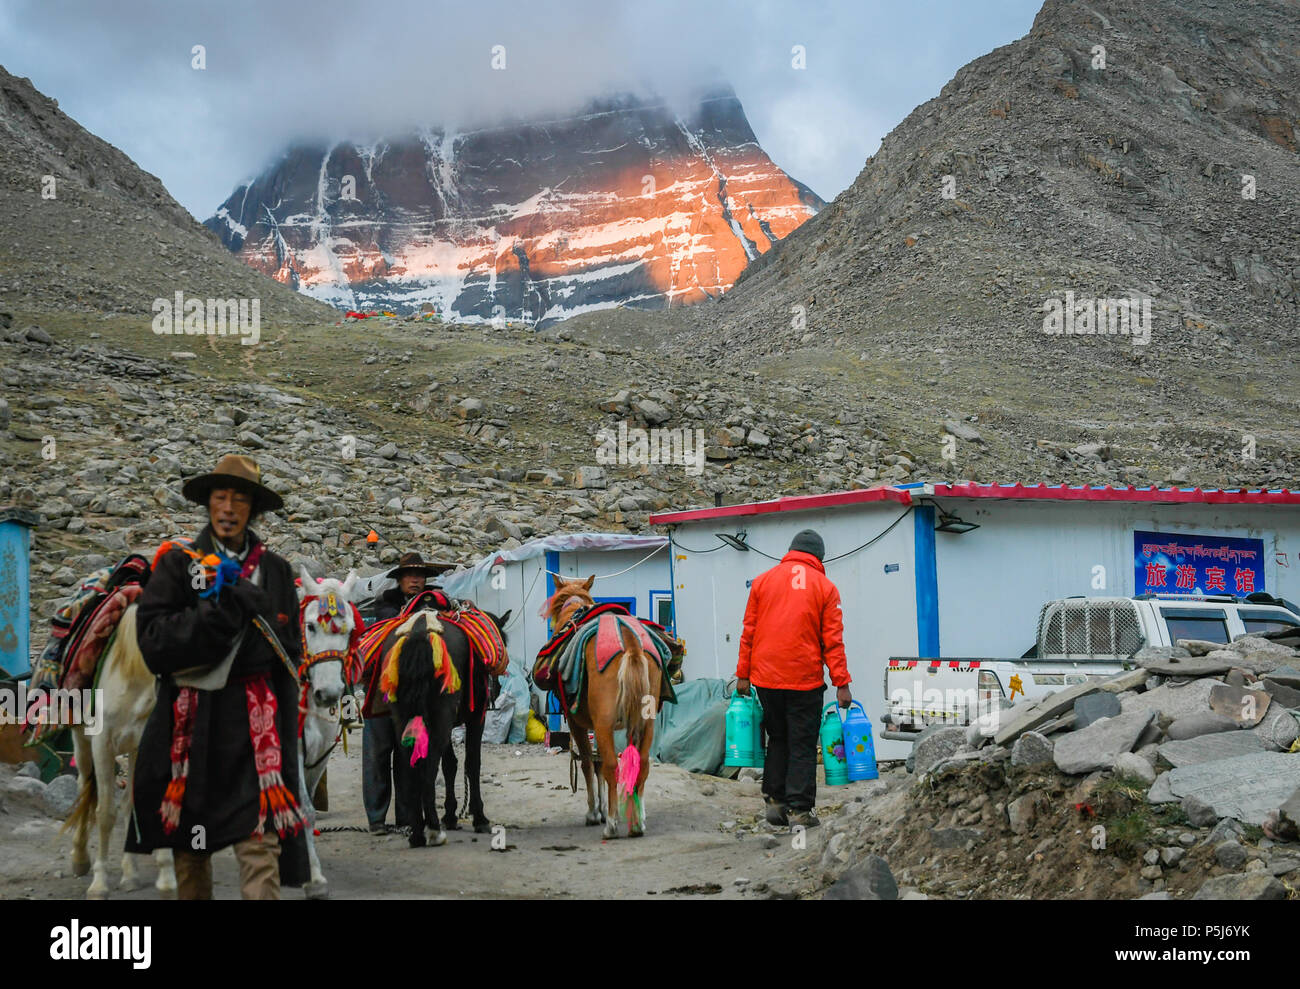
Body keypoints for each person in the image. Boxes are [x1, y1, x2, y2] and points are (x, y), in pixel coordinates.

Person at [128, 454, 309, 899]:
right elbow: (154, 645)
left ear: (253, 510)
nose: (228, 509)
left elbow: (289, 659)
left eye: (239, 499)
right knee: (192, 852)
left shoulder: (277, 571)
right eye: (220, 497)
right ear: (208, 504)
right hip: (192, 734)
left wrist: (291, 743)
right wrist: (221, 612)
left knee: (260, 845)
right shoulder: (178, 565)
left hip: (256, 734)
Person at [735, 528, 851, 829]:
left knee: (778, 738)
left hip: (766, 678)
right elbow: (832, 642)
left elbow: (748, 631)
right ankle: (799, 811)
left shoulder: (762, 582)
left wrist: (742, 675)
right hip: (804, 680)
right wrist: (842, 683)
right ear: (819, 557)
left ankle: (774, 802)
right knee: (801, 743)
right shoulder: (825, 587)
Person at [363, 551, 450, 833]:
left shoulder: (436, 604)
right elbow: (395, 626)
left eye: (420, 575)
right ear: (399, 580)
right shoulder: (386, 605)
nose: (415, 580)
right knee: (377, 753)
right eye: (409, 575)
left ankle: (405, 817)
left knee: (406, 753)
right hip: (381, 690)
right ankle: (376, 819)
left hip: (414, 694)